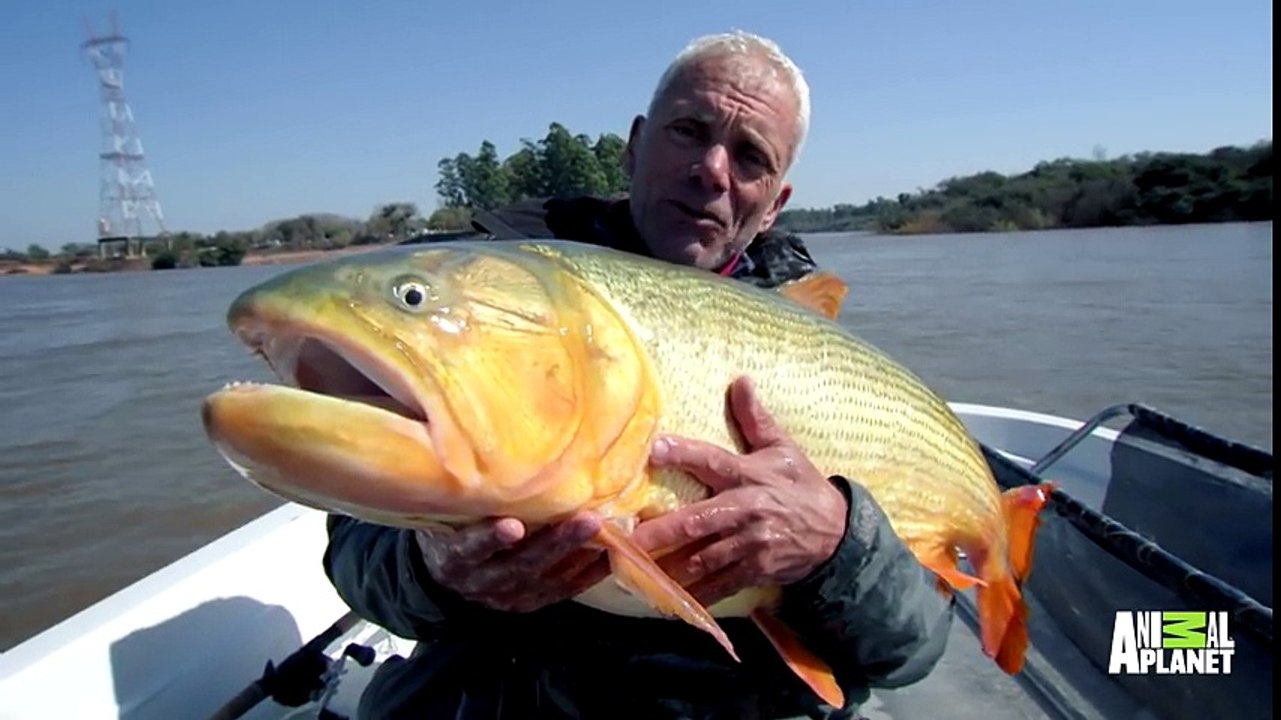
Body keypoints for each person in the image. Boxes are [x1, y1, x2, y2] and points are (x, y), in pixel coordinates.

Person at [324, 30, 954, 719]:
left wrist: (833, 549)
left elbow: (909, 650)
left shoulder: (825, 361)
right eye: (689, 131)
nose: (712, 169)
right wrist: (432, 568)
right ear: (634, 145)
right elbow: (357, 552)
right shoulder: (495, 294)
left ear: (774, 202)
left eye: (750, 157)